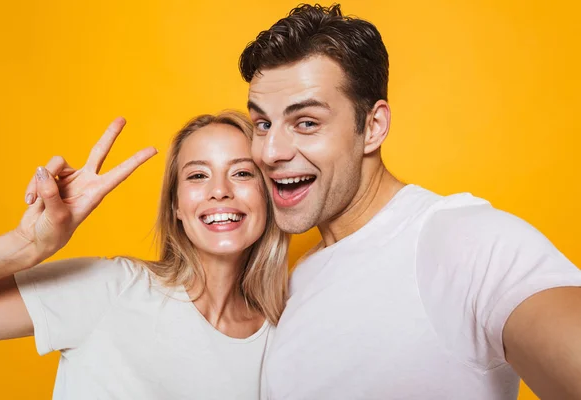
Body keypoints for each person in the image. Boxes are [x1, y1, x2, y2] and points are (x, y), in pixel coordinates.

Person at [239, 4, 581, 399]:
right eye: (263, 124)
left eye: (307, 123)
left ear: (373, 127)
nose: (270, 152)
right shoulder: (300, 278)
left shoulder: (459, 239)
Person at [0, 111, 288, 399]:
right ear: (176, 206)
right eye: (197, 176)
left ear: (268, 197)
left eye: (243, 172)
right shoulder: (111, 289)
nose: (220, 190)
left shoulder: (282, 340)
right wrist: (25, 245)